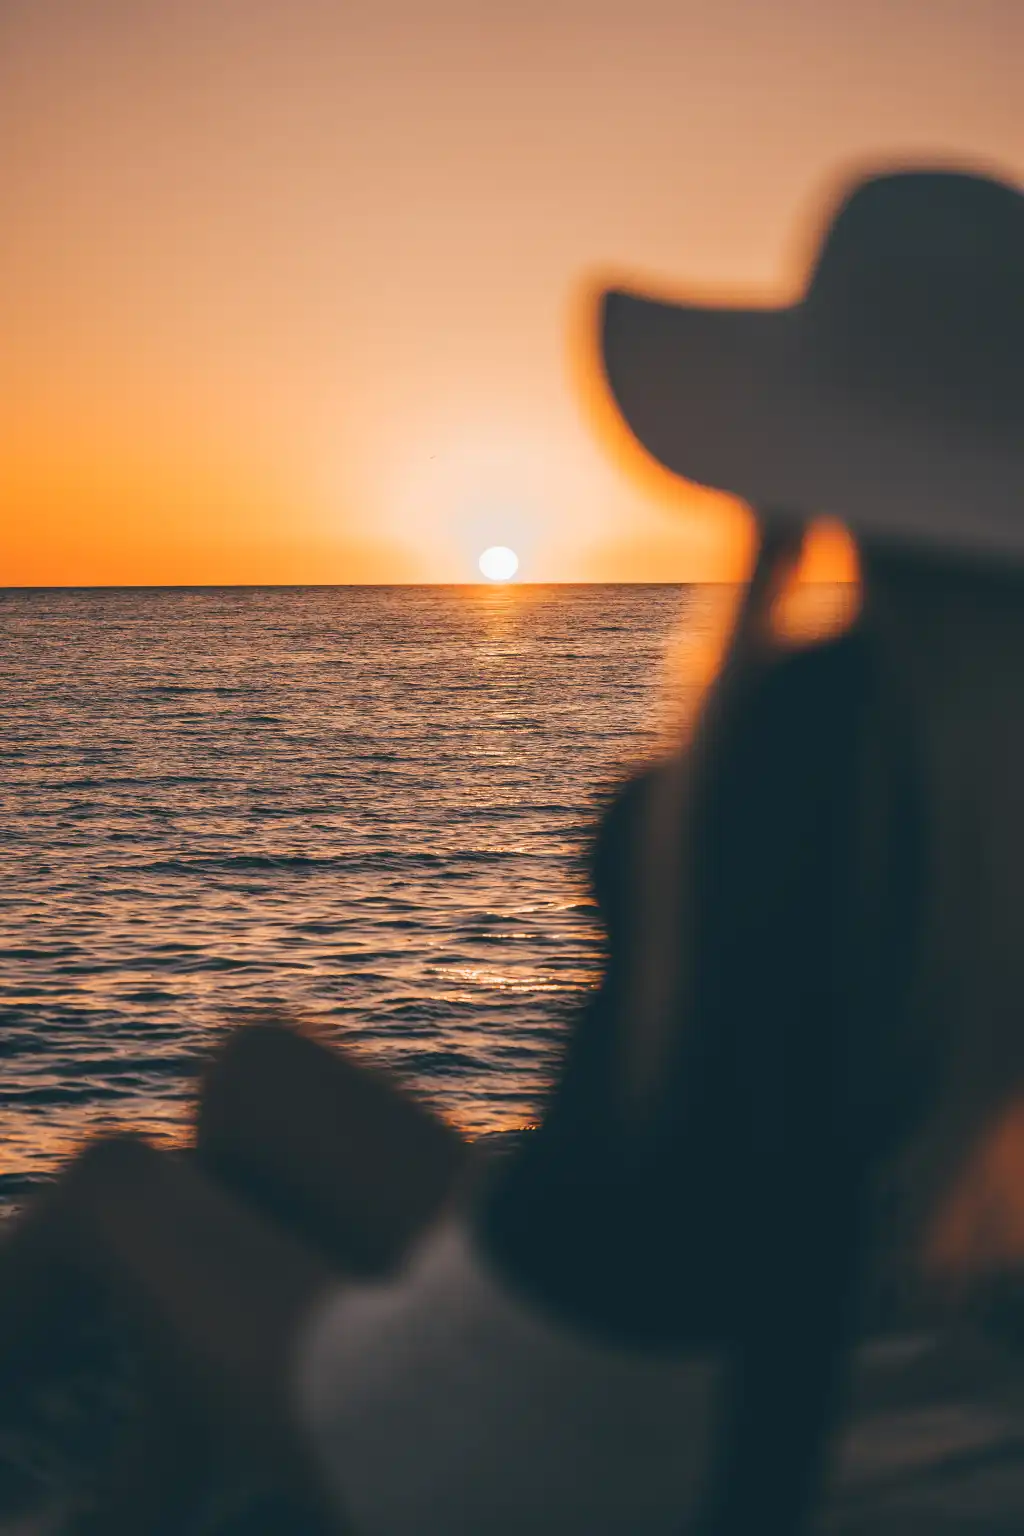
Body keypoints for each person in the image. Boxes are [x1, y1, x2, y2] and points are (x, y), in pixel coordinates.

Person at [1, 162, 1023, 1536]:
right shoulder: (948, 761)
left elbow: (784, 1196)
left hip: (571, 1412)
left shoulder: (819, 732)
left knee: (114, 1186)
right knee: (254, 1075)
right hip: (611, 1292)